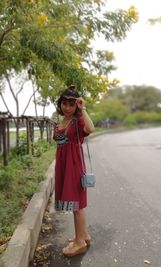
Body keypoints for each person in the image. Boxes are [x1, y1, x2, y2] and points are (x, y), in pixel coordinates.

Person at [53, 85, 95, 257]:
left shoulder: (78, 122)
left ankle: (79, 243)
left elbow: (91, 129)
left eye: (71, 104)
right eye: (65, 103)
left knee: (77, 205)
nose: (67, 107)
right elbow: (59, 143)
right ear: (60, 104)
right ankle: (83, 235)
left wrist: (83, 108)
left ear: (76, 105)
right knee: (75, 203)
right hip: (63, 165)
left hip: (74, 165)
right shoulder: (61, 121)